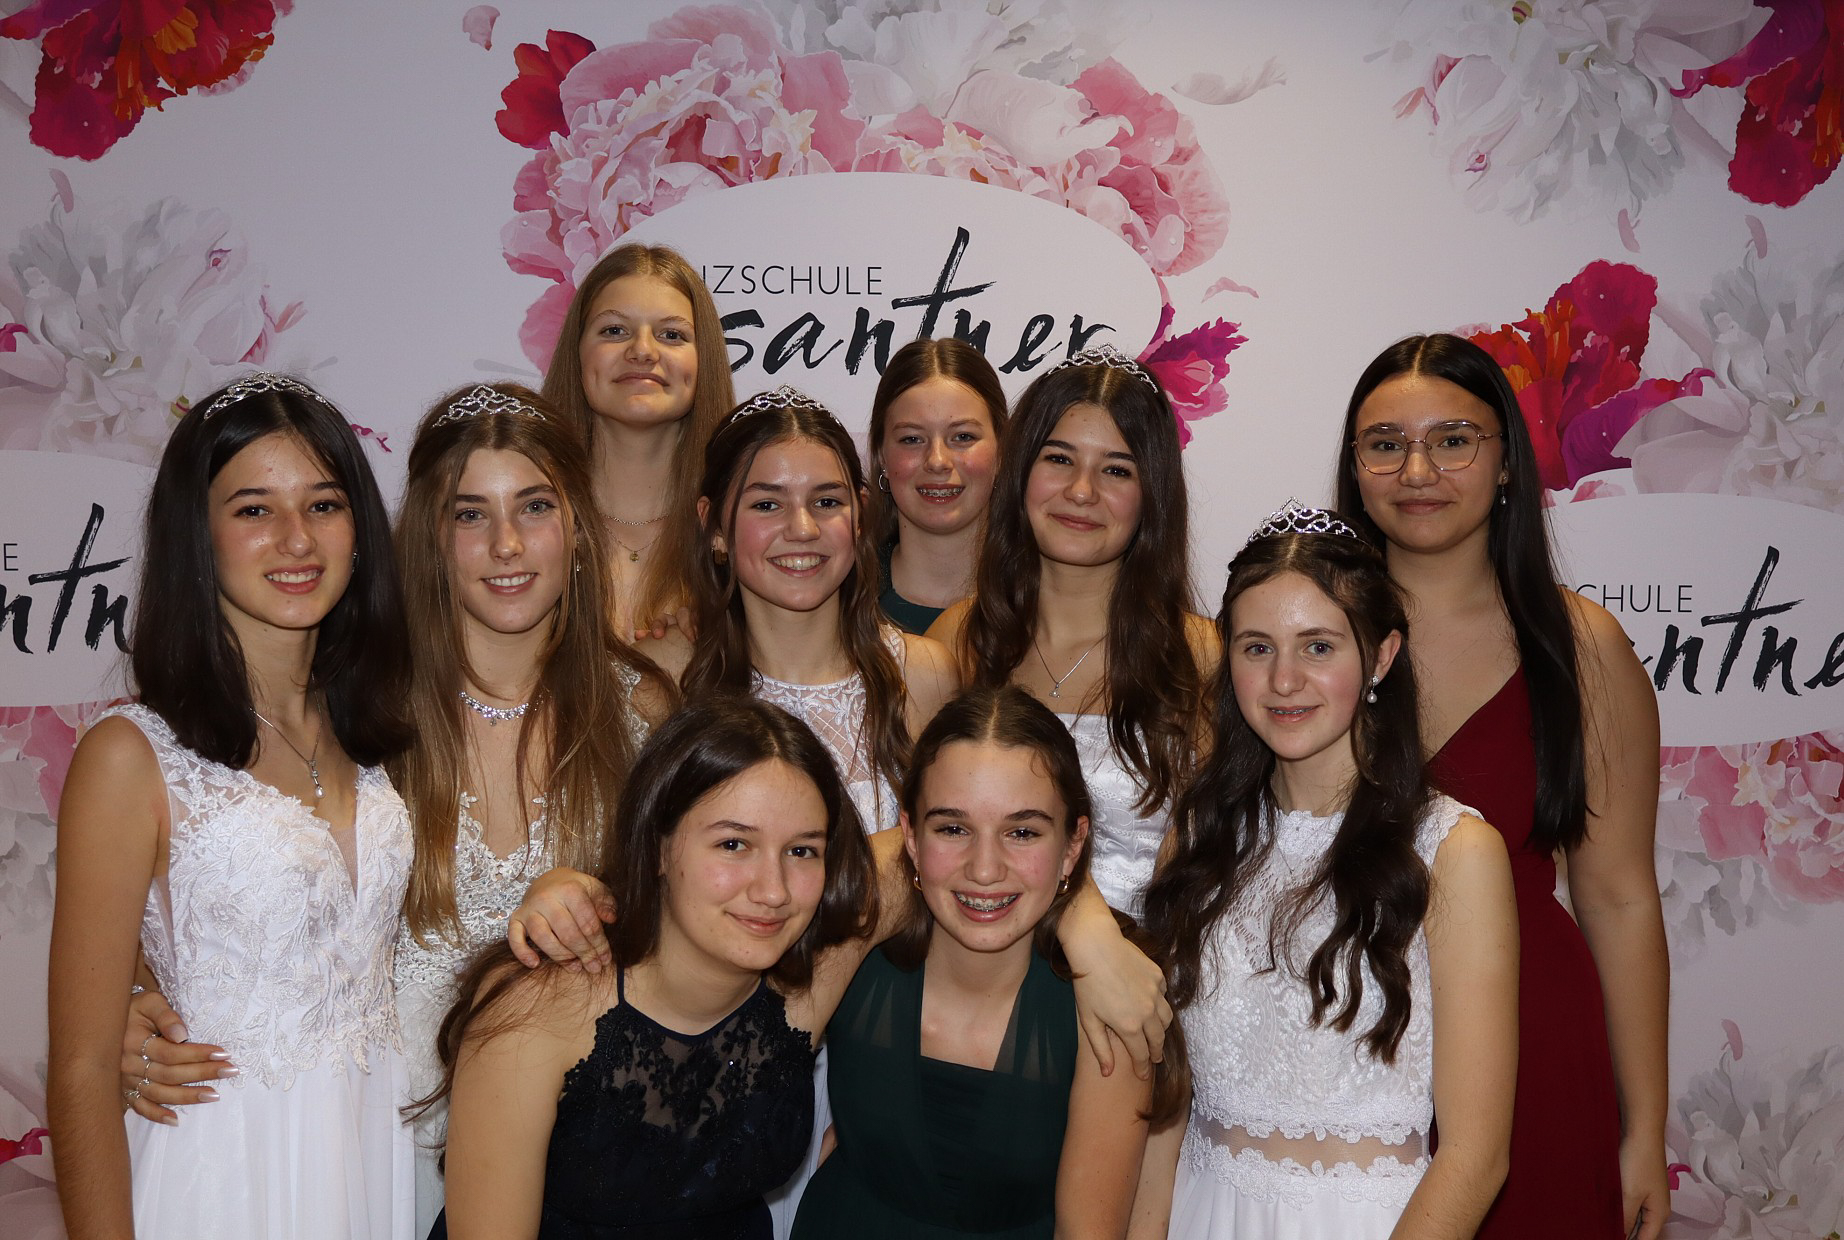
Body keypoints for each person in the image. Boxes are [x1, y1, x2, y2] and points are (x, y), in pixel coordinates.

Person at [47, 373, 415, 1239]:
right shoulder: (130, 756)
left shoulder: (379, 733)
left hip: (367, 1161)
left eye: (323, 504)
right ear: (196, 536)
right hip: (215, 1179)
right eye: (254, 509)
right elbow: (82, 1067)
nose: (297, 539)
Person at [1333, 334, 1669, 1239]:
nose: (1418, 471)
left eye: (1453, 440)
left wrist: (1644, 1128)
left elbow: (1619, 897)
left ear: (1508, 461)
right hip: (1339, 1033)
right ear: (1356, 467)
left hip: (1533, 1040)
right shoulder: (1305, 636)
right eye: (1386, 444)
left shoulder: (1581, 646)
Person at [1135, 504, 1518, 1238]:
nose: (1284, 680)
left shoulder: (1455, 851)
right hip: (1201, 1213)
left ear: (1380, 656)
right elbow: (1165, 1101)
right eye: (1256, 648)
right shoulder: (1199, 835)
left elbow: (1476, 1156)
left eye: (1317, 646)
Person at [425, 695, 879, 1240]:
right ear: (659, 847)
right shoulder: (540, 1005)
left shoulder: (809, 982)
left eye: (802, 851)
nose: (773, 891)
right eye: (733, 844)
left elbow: (935, 848)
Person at [387, 383, 670, 1230]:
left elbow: (685, 938)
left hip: (573, 1169)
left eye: (535, 507)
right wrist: (147, 997)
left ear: (577, 526)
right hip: (380, 1156)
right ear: (430, 537)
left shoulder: (642, 710)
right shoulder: (362, 715)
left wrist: (600, 902)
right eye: (470, 514)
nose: (506, 544)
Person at [790, 686, 1168, 1240]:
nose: (984, 869)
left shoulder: (1110, 1006)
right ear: (910, 837)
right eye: (953, 828)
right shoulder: (853, 956)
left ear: (1072, 845)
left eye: (1022, 832)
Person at [929, 346, 1215, 917]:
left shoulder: (1200, 655)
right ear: (1020, 472)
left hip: (1142, 959)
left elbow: (1212, 857)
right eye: (1059, 459)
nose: (1082, 491)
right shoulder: (957, 640)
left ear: (1152, 493)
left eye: (1116, 469)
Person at [671, 385, 960, 833]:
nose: (802, 529)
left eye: (826, 502)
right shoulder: (670, 678)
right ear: (714, 526)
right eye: (767, 504)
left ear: (859, 517)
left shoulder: (925, 674)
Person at [541, 243, 735, 637]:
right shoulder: (524, 524)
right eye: (614, 330)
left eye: (671, 334)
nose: (643, 351)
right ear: (577, 353)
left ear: (704, 359)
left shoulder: (744, 527)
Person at [864, 339, 1008, 634]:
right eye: (912, 439)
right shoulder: (839, 602)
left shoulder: (1046, 599)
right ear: (881, 457)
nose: (937, 461)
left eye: (963, 437)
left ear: (1002, 452)